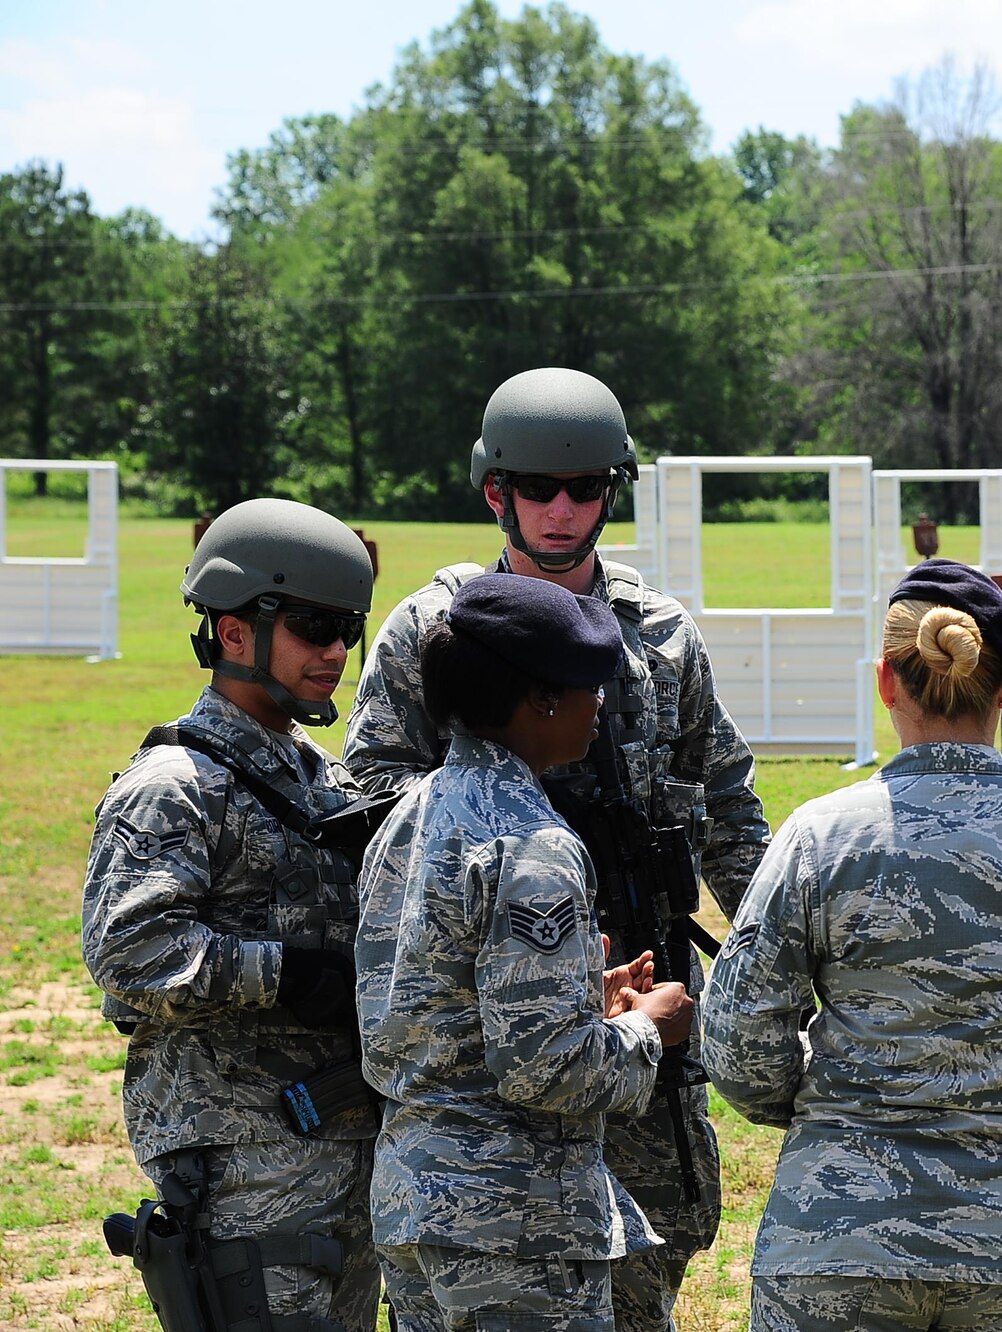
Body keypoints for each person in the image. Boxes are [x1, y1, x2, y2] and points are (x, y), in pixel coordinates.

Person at [343, 366, 767, 1331]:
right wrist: (511, 866)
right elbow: (371, 809)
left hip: (640, 996)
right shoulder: (430, 630)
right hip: (487, 1022)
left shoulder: (658, 636)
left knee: (645, 1265)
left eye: (586, 491)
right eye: (540, 490)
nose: (564, 510)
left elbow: (732, 811)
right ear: (498, 493)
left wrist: (774, 950)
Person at [703, 559, 1002, 1332]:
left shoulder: (819, 838)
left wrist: (836, 1109)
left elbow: (737, 1043)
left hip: (839, 1240)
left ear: (887, 683)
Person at [357, 573, 698, 1331]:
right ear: (541, 700)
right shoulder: (533, 844)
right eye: (587, 687)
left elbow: (429, 997)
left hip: (416, 1200)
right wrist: (650, 1027)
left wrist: (586, 997)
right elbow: (549, 1068)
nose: (600, 704)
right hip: (512, 1221)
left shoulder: (411, 812)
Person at [83, 497, 384, 1331]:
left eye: (348, 629)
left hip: (340, 1156)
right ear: (234, 630)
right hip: (242, 1173)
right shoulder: (174, 785)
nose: (334, 651)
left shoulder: (317, 776)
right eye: (315, 625)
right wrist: (290, 975)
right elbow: (130, 949)